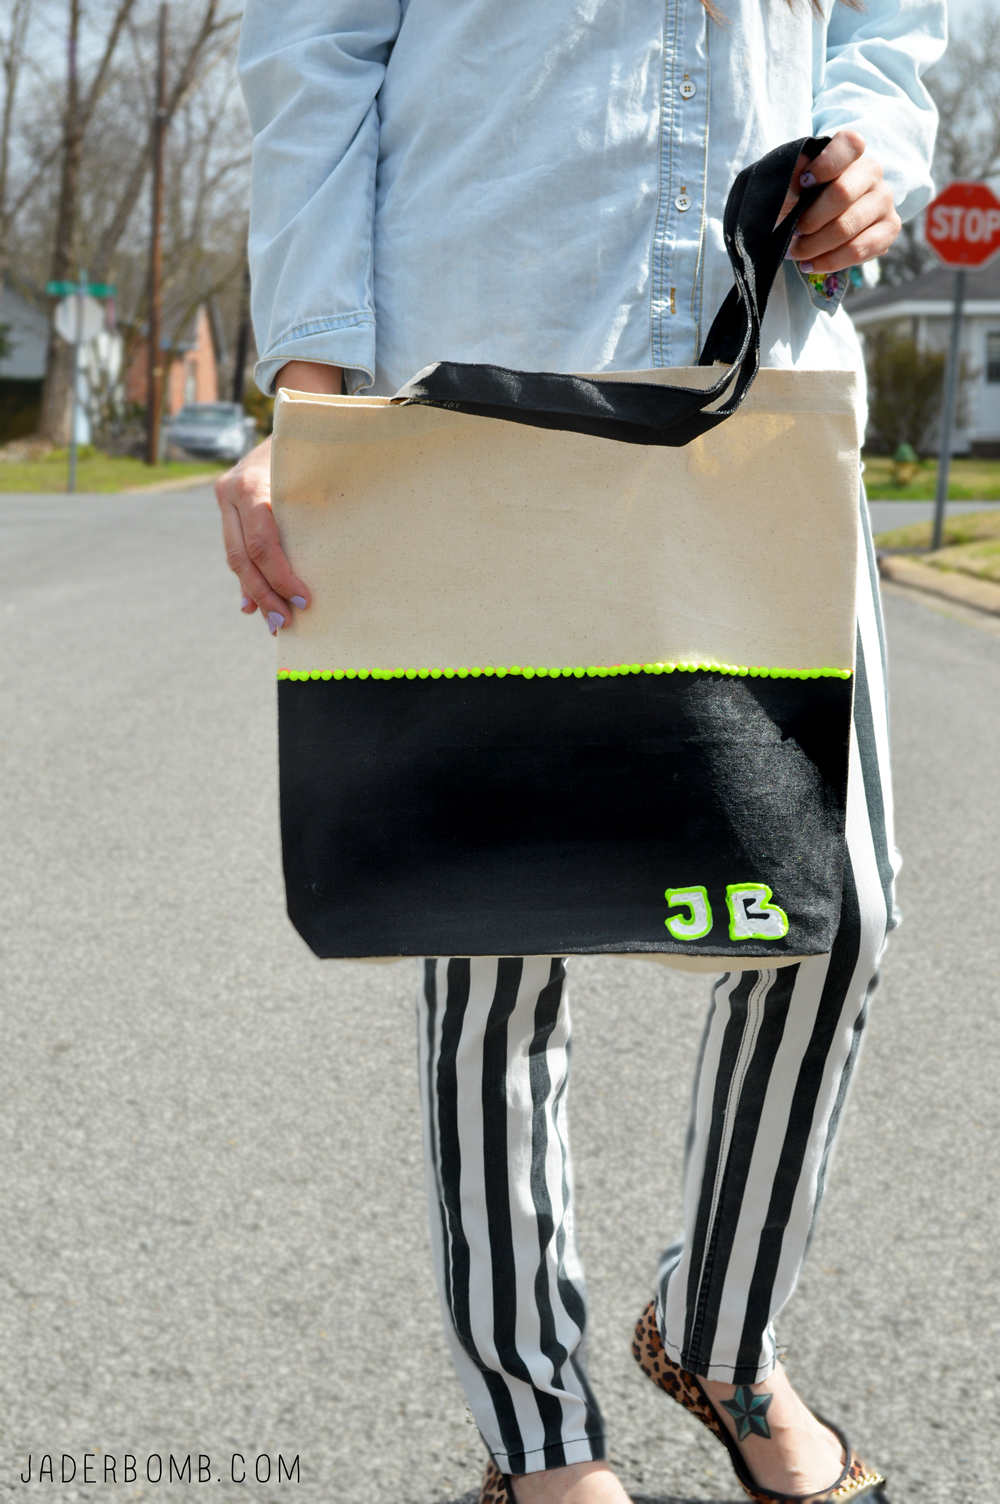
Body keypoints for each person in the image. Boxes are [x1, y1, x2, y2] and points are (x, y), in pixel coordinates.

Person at [217, 2, 944, 1500]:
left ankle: (721, 1335)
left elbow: (891, 30)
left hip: (760, 393)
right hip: (479, 383)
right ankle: (539, 1438)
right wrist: (311, 386)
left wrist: (887, 160)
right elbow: (315, 52)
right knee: (495, 947)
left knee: (837, 915)